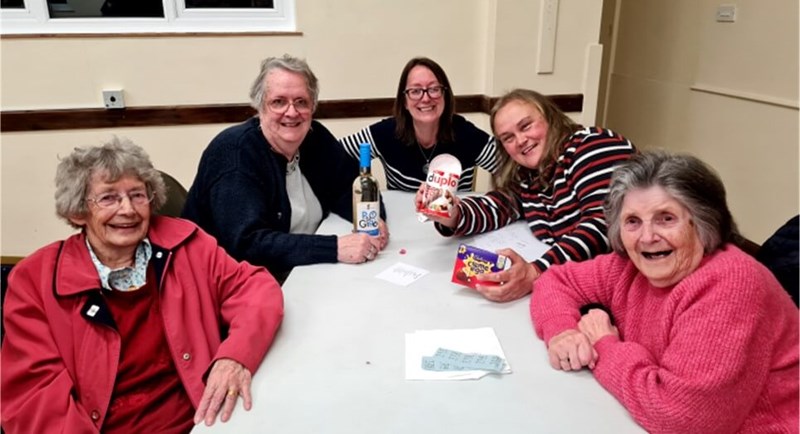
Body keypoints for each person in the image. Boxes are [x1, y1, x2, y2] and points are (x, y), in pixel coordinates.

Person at [1, 138, 284, 432]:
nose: (128, 210)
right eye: (108, 198)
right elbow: (34, 400)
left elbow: (255, 290)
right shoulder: (35, 280)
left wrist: (234, 356)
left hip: (207, 421)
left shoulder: (185, 243)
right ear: (77, 212)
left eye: (137, 195)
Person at [530, 151, 799, 433]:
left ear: (703, 222)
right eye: (632, 221)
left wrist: (605, 345)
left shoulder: (731, 283)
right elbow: (556, 280)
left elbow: (682, 419)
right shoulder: (630, 266)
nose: (647, 237)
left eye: (666, 218)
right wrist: (562, 331)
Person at [182, 54, 389, 282]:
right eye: (278, 102)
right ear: (260, 107)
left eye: (301, 102)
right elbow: (247, 244)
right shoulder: (236, 155)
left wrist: (370, 219)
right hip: (233, 282)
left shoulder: (314, 138)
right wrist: (335, 247)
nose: (291, 113)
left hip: (300, 270)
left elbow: (348, 186)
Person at [419, 88, 636, 302]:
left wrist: (535, 272)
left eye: (526, 126)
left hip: (624, 293)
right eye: (508, 138)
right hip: (573, 286)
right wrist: (454, 214)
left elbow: (604, 224)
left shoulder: (592, 146)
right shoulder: (530, 174)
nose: (521, 140)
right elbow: (499, 206)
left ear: (550, 118)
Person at [339, 57, 498, 191]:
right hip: (400, 223)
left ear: (445, 95)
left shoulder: (466, 134)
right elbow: (334, 157)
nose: (426, 98)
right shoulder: (386, 132)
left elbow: (509, 167)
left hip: (454, 224)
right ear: (405, 102)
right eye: (415, 91)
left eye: (434, 89)